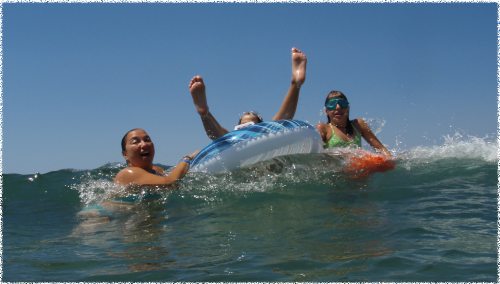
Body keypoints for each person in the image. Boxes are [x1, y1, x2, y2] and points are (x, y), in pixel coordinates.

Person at [188, 47, 307, 140]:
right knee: (223, 137)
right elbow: (217, 134)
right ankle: (204, 113)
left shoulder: (266, 134)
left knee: (276, 125)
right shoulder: (234, 140)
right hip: (236, 150)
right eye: (243, 126)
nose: (247, 129)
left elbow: (282, 120)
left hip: (266, 147)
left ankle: (295, 84)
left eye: (251, 125)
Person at [316, 91, 392, 157]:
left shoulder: (358, 125)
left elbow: (381, 149)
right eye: (332, 104)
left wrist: (391, 161)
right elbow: (314, 155)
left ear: (348, 108)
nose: (338, 107)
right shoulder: (324, 129)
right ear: (326, 111)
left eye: (342, 103)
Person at [114, 128, 197, 186]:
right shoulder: (128, 173)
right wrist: (187, 159)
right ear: (125, 154)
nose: (144, 144)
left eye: (147, 140)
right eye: (135, 142)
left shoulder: (157, 170)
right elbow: (171, 182)